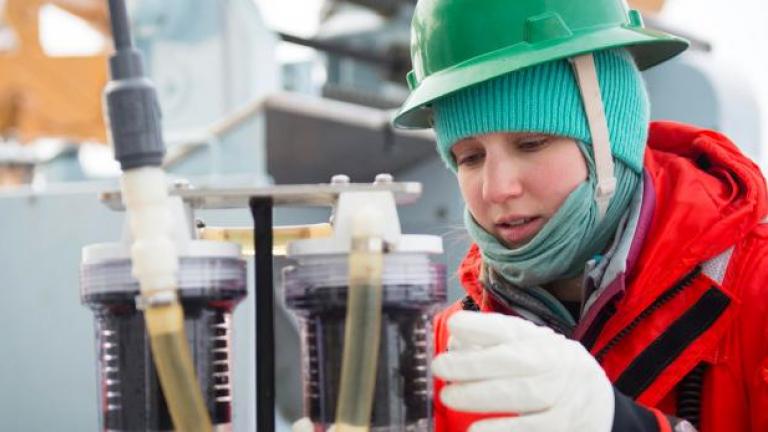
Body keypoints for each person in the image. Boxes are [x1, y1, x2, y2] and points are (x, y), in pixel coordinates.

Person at [391, 1, 768, 431]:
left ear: (612, 139)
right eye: (470, 157)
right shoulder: (451, 343)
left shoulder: (756, 289)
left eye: (531, 143)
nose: (496, 188)